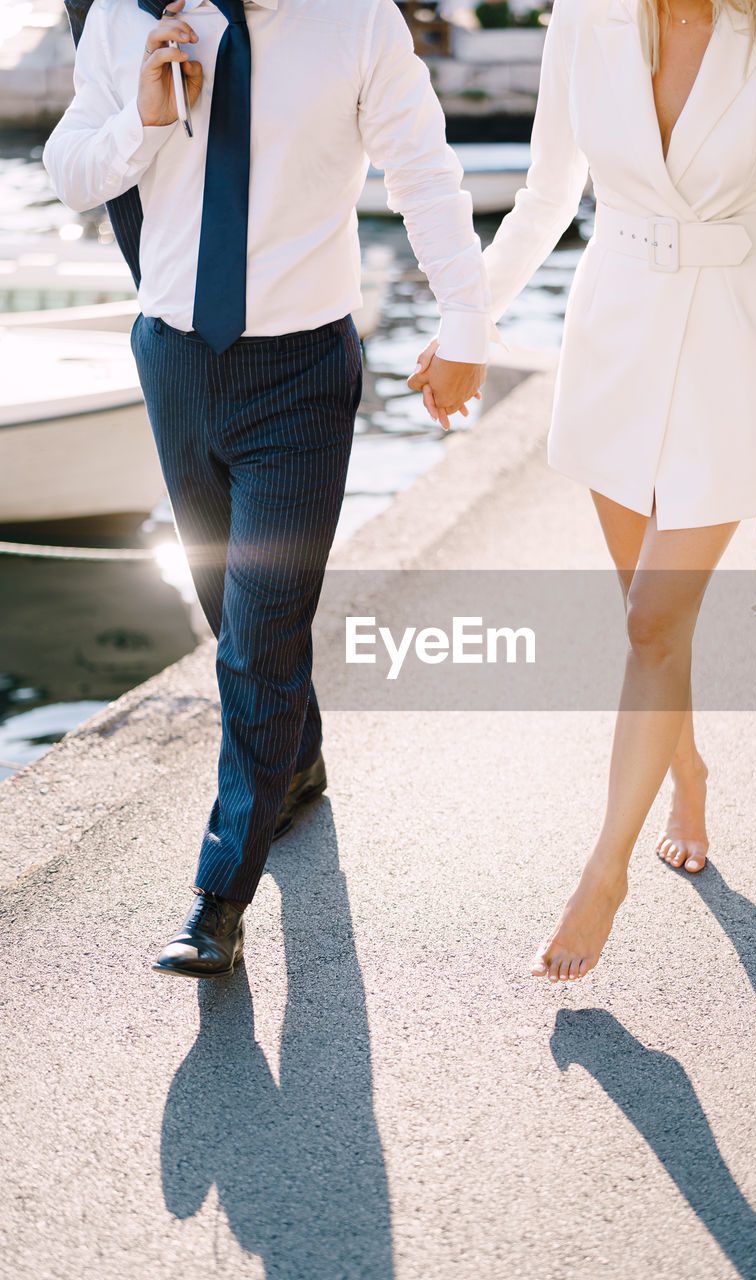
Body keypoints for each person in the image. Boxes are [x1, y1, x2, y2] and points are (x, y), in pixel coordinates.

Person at [44, 0, 488, 977]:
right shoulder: (129, 18)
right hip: (174, 361)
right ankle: (297, 761)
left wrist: (466, 325)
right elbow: (69, 169)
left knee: (259, 630)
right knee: (228, 609)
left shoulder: (356, 20)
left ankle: (219, 893)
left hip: (300, 378)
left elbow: (423, 167)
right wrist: (143, 123)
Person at [411, 0, 756, 981]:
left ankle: (602, 870)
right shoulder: (587, 17)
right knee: (647, 620)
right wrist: (467, 325)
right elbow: (545, 195)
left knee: (654, 617)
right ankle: (684, 769)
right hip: (615, 340)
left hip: (736, 350)